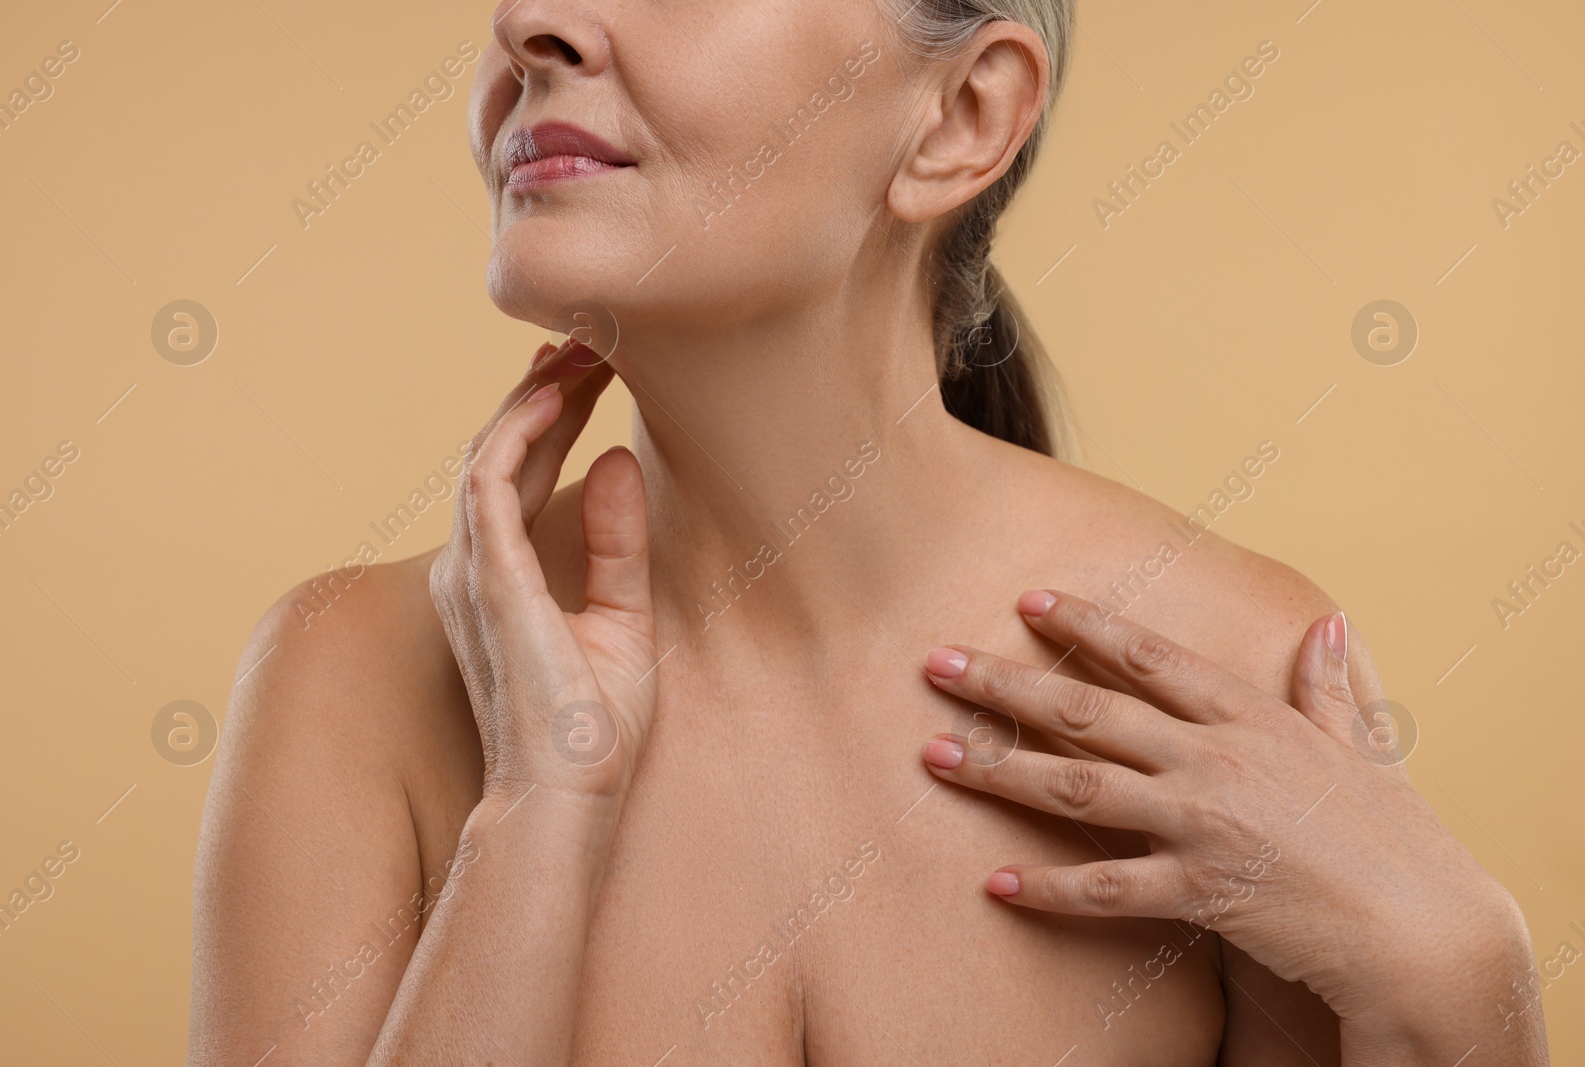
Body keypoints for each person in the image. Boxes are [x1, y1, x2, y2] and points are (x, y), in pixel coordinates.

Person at [189, 1, 1548, 1064]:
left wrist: (1466, 979)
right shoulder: (350, 682)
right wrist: (540, 808)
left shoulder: (1221, 678)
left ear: (962, 114)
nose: (531, 22)